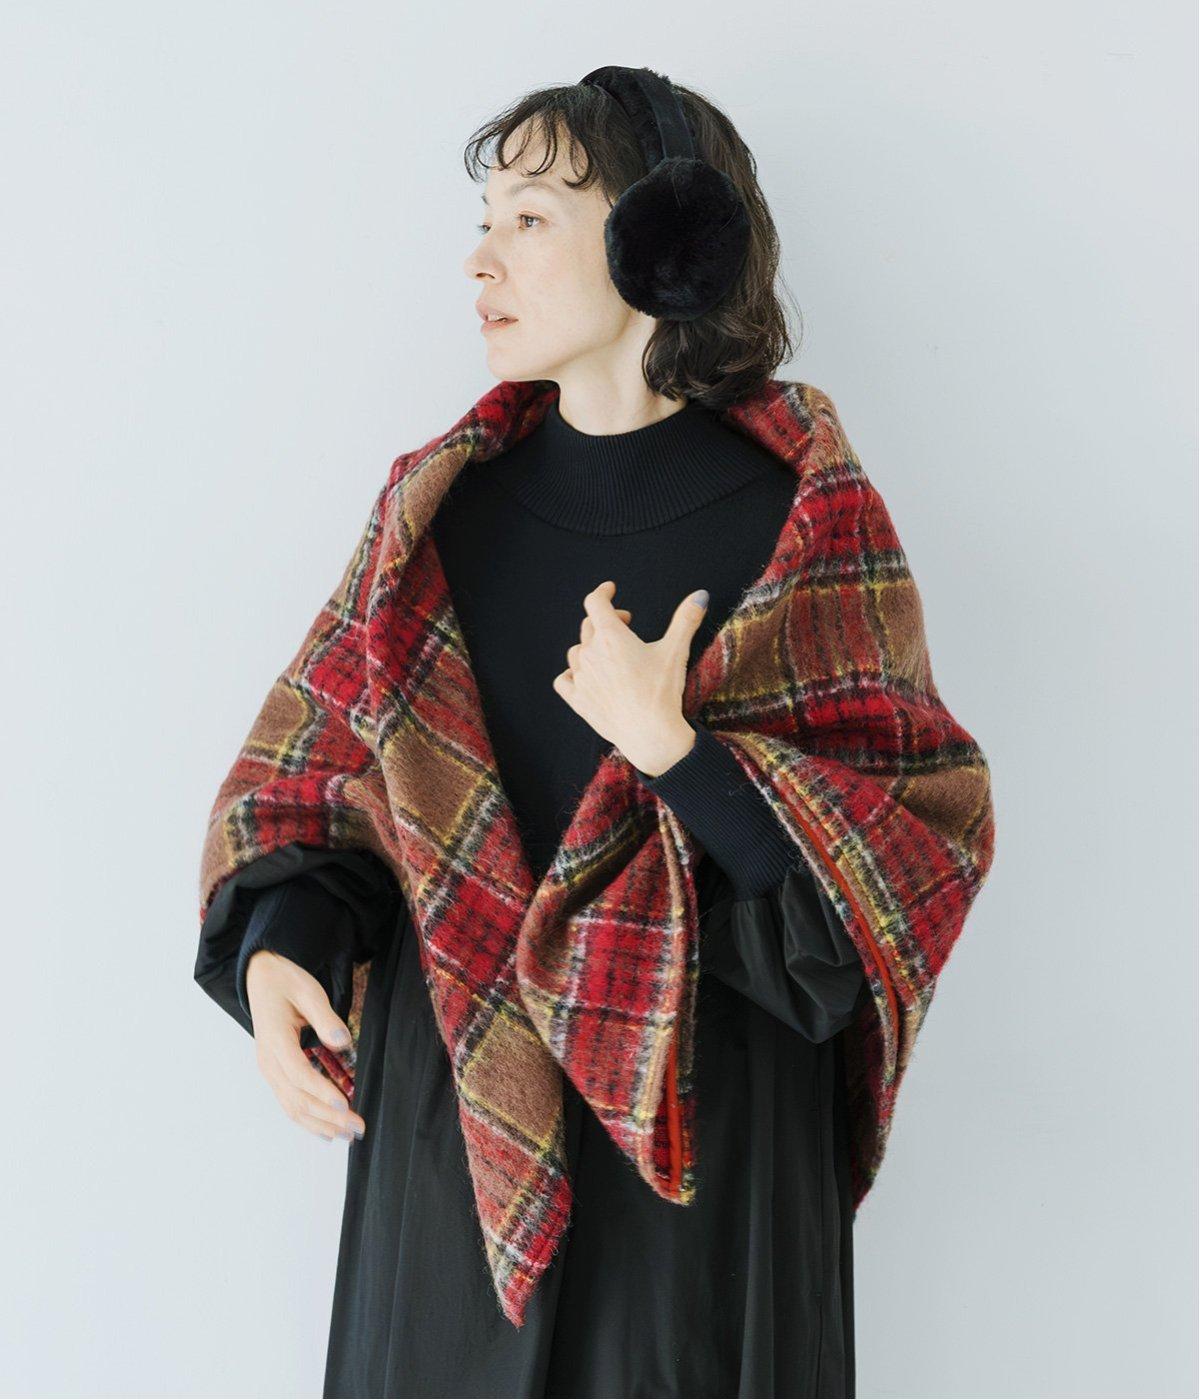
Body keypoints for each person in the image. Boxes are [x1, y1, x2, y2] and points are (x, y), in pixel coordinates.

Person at [197, 76, 897, 1399]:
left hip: (700, 1161)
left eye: (528, 219)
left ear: (662, 240)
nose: (481, 259)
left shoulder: (803, 528)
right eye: (486, 219)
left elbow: (872, 909)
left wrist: (676, 753)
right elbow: (331, 793)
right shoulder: (434, 516)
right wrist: (284, 942)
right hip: (456, 1133)